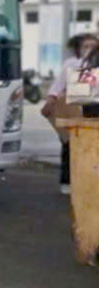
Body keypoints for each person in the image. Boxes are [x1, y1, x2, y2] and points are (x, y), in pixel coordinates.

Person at [42, 34, 98, 193]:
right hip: (73, 111)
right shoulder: (72, 64)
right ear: (78, 49)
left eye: (93, 46)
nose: (90, 49)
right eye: (86, 46)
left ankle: (89, 181)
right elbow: (57, 86)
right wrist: (50, 102)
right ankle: (67, 181)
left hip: (92, 112)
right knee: (69, 147)